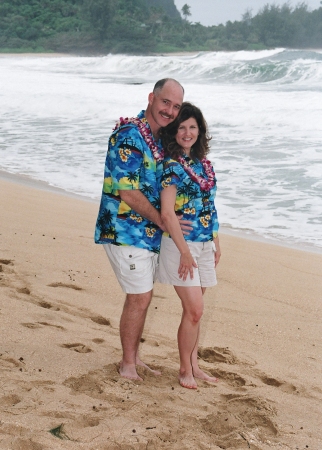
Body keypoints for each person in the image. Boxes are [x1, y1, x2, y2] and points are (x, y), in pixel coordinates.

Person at [94, 78, 186, 381]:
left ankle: (132, 358)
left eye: (175, 106)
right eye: (165, 102)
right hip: (124, 228)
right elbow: (127, 191)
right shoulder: (129, 135)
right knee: (140, 297)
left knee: (141, 295)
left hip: (145, 232)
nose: (170, 111)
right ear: (151, 98)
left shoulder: (160, 140)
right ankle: (127, 365)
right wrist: (162, 220)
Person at [157, 102, 221, 389]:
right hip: (180, 246)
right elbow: (168, 212)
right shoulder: (171, 166)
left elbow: (210, 206)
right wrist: (184, 251)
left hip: (205, 244)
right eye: (181, 127)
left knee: (193, 312)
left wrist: (216, 242)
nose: (187, 132)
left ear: (200, 130)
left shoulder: (204, 164)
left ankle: (194, 365)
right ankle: (184, 369)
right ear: (174, 131)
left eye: (192, 127)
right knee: (195, 310)